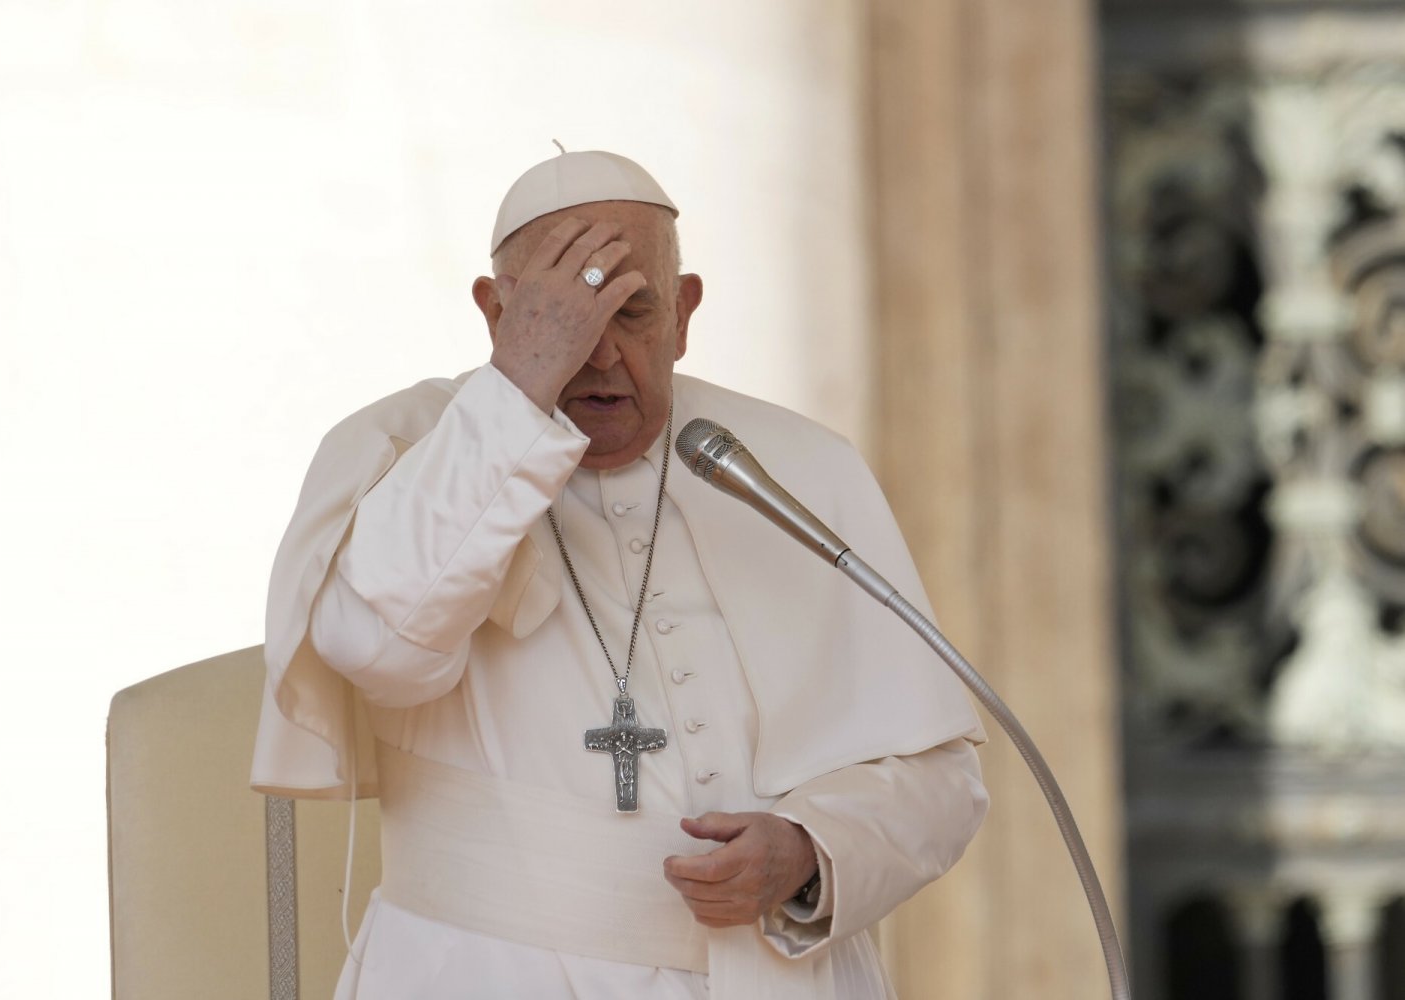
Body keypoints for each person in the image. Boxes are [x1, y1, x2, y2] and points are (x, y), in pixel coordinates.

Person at [251, 149, 988, 1000]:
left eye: (632, 311)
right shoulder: (402, 449)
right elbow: (376, 648)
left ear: (684, 312)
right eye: (562, 315)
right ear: (495, 313)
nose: (599, 354)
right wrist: (516, 393)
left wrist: (810, 851)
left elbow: (938, 779)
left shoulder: (796, 466)